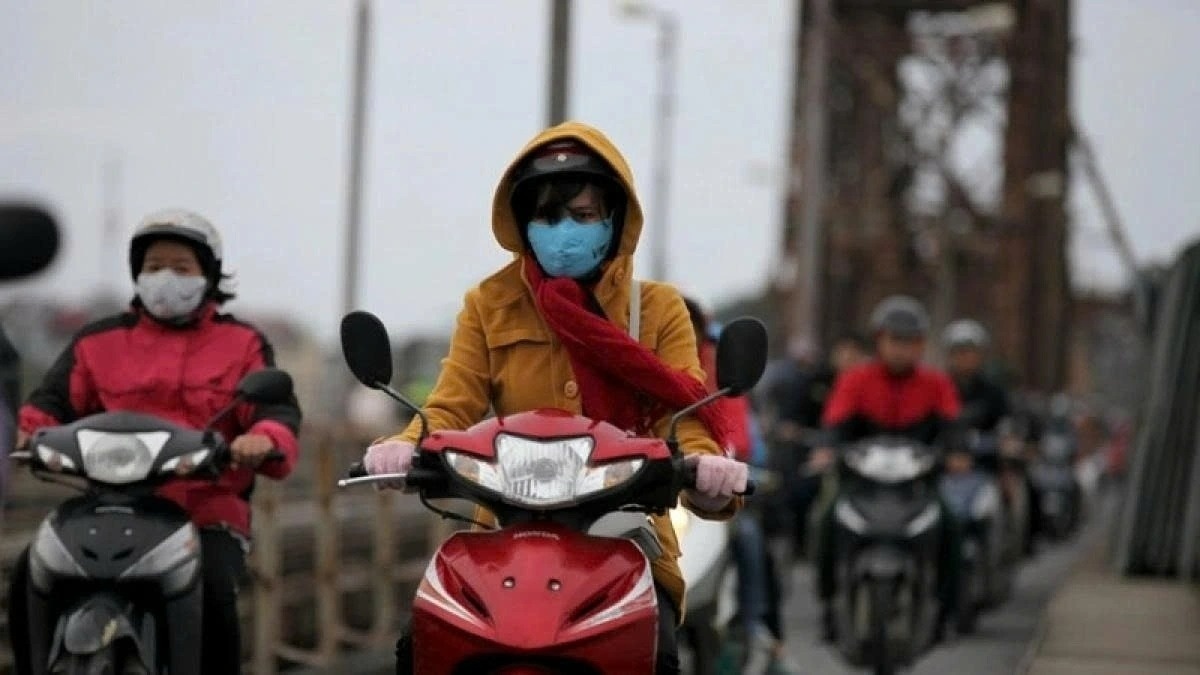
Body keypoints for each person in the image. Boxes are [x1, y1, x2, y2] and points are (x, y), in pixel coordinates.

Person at [363, 122, 748, 675]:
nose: (563, 229)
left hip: (626, 526)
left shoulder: (658, 310)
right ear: (523, 225)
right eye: (546, 216)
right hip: (502, 529)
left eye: (583, 215)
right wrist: (403, 445)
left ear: (615, 220)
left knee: (656, 647)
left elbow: (682, 416)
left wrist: (707, 468)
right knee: (420, 640)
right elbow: (449, 406)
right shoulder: (489, 303)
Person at [7, 208, 302, 675]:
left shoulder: (242, 343)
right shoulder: (96, 341)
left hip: (206, 510)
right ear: (137, 274)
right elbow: (50, 402)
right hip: (104, 504)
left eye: (181, 267)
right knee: (30, 570)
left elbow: (275, 412)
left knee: (214, 588)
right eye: (153, 265)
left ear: (208, 275)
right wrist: (30, 428)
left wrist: (262, 439)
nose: (165, 277)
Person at [808, 295, 963, 641]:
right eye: (895, 340)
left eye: (909, 342)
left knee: (952, 525)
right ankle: (829, 603)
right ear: (880, 340)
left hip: (917, 486)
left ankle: (947, 610)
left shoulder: (935, 384)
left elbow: (953, 427)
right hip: (863, 485)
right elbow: (834, 424)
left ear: (921, 345)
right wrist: (827, 449)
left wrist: (956, 452)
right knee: (826, 518)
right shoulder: (856, 380)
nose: (901, 350)